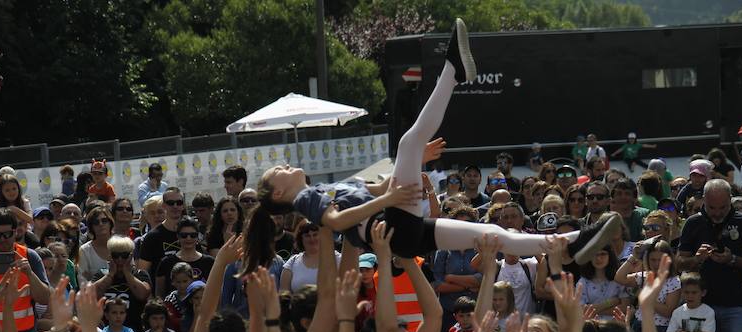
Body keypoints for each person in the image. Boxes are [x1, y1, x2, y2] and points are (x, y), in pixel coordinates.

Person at [249, 21, 619, 268]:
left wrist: (409, 170)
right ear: (279, 190)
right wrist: (391, 197)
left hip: (403, 232)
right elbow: (339, 220)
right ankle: (452, 71)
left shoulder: (321, 189)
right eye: (277, 171)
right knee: (410, 141)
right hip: (393, 226)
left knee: (492, 235)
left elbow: (374, 189)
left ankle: (572, 242)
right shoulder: (305, 199)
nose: (284, 167)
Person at [676, 179, 742, 332]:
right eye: (712, 207)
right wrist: (697, 259)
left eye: (723, 207)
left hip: (736, 305)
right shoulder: (693, 223)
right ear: (704, 199)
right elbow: (679, 263)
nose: (718, 212)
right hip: (700, 307)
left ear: (731, 199)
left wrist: (733, 260)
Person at [155, 217, 214, 298]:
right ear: (178, 237)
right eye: (184, 235)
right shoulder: (166, 263)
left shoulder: (209, 262)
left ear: (197, 237)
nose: (188, 238)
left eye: (193, 235)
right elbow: (159, 294)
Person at [78, 207, 115, 283]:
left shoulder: (122, 246)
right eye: (96, 222)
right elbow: (83, 283)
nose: (100, 224)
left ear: (110, 223)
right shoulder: (85, 251)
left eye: (104, 220)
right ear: (91, 227)